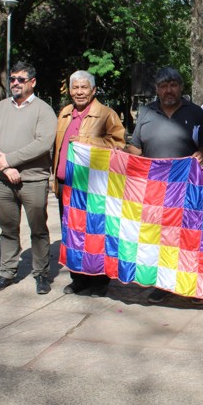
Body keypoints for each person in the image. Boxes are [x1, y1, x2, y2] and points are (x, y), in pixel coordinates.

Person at [126, 67, 203, 303]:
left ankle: (191, 286)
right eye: (163, 86)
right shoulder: (146, 112)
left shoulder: (195, 112)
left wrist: (202, 153)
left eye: (173, 85)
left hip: (187, 188)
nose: (168, 90)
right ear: (157, 90)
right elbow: (136, 149)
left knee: (188, 238)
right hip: (154, 189)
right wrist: (117, 156)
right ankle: (163, 285)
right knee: (159, 238)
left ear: (181, 87)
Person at [0, 62, 58, 295]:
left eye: (21, 79)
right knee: (7, 229)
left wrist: (10, 160)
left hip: (33, 181)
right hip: (3, 181)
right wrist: (5, 168)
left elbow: (43, 143)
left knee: (38, 229)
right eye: (13, 78)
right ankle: (7, 272)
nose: (15, 83)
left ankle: (41, 273)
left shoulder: (43, 110)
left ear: (32, 82)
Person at [54, 70, 126, 297]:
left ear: (93, 90)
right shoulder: (65, 113)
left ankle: (99, 281)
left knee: (96, 233)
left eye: (84, 87)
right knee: (72, 234)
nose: (79, 92)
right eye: (75, 87)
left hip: (94, 187)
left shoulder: (106, 114)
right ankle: (78, 278)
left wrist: (87, 141)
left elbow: (118, 145)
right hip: (66, 185)